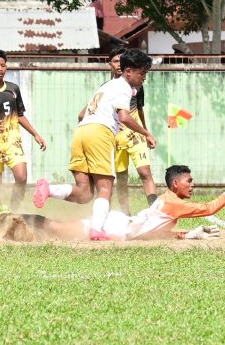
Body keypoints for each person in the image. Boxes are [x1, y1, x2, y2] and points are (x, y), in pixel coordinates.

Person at [33, 49, 157, 240]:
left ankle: (49, 189)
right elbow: (124, 116)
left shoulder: (106, 87)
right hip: (99, 134)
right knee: (105, 188)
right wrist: (146, 132)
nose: (144, 78)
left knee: (84, 193)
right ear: (128, 71)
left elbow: (81, 114)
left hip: (81, 132)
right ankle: (97, 230)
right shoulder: (123, 87)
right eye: (142, 73)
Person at [0, 164, 225, 241]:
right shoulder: (174, 203)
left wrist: (187, 235)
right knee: (55, 228)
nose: (192, 185)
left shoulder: (170, 202)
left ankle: (10, 223)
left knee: (55, 229)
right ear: (175, 184)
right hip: (116, 228)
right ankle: (5, 218)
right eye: (188, 181)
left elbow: (152, 233)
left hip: (121, 224)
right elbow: (208, 208)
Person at [79, 47, 157, 214]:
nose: (119, 64)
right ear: (110, 64)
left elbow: (138, 109)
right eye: (115, 61)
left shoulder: (135, 85)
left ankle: (155, 211)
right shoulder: (110, 87)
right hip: (113, 135)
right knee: (118, 179)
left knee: (145, 172)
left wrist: (145, 131)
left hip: (134, 134)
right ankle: (125, 214)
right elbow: (122, 116)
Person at [0, 50, 46, 211]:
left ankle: (13, 212)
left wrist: (35, 134)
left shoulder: (13, 89)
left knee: (22, 177)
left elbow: (19, 115)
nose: (0, 69)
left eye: (3, 65)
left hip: (12, 140)